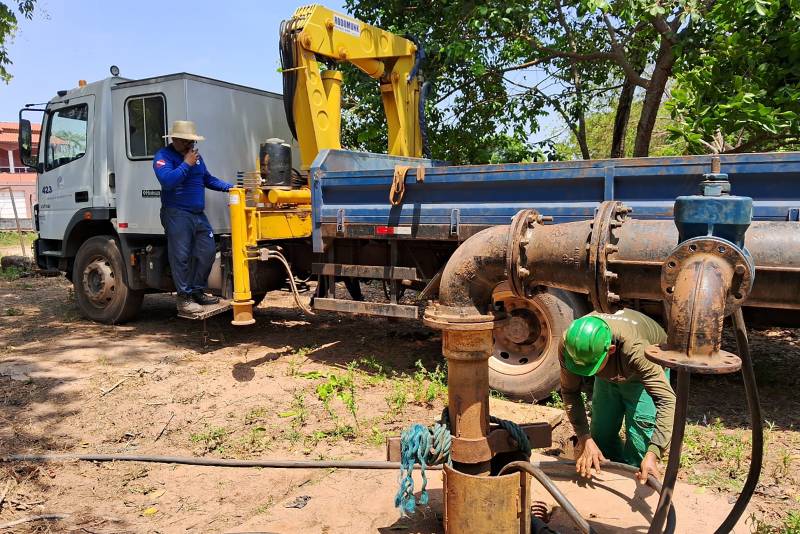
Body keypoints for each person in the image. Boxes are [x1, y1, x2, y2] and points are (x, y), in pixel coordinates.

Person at [559, 308, 676, 484]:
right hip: (608, 371)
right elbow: (570, 392)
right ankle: (610, 478)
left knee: (640, 443)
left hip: (642, 373)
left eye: (589, 367)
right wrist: (585, 439)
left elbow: (667, 400)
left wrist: (654, 453)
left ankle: (635, 479)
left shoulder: (636, 349)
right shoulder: (570, 344)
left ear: (610, 350)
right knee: (601, 437)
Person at [153, 120, 232, 315]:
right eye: (186, 141)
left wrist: (231, 188)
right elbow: (167, 181)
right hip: (177, 213)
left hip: (197, 214)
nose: (190, 145)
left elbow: (207, 179)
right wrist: (186, 164)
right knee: (180, 257)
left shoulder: (196, 157)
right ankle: (184, 299)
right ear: (175, 139)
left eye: (192, 142)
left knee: (208, 252)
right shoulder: (163, 156)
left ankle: (197, 291)